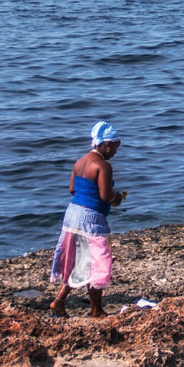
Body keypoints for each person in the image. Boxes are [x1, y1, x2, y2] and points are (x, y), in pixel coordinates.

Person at [49, 121, 126, 318]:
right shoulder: (103, 166)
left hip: (72, 213)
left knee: (77, 260)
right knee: (97, 262)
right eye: (114, 148)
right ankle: (96, 310)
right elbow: (105, 196)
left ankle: (59, 301)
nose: (114, 153)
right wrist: (117, 196)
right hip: (91, 217)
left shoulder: (79, 162)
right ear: (106, 144)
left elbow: (72, 190)